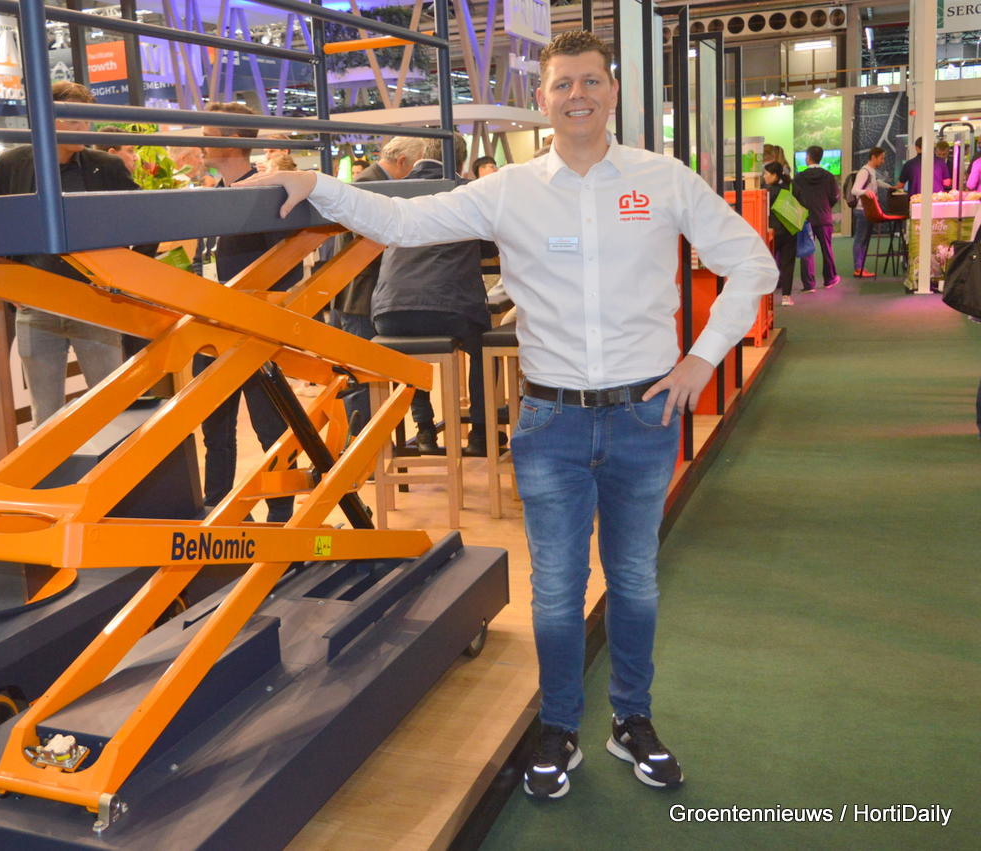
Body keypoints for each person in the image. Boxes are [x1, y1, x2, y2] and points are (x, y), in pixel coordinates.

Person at [239, 30, 776, 798]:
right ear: (543, 99)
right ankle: (558, 728)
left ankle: (632, 719)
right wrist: (317, 182)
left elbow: (751, 262)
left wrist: (703, 358)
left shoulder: (663, 180)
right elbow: (403, 224)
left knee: (634, 582)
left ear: (613, 91)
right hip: (551, 423)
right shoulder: (510, 189)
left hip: (643, 417)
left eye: (590, 81)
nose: (577, 95)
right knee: (556, 588)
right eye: (562, 84)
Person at [0, 81, 152, 425]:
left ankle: (116, 463)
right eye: (75, 119)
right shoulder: (13, 163)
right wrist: (9, 286)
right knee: (45, 415)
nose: (84, 127)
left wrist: (126, 276)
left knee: (112, 409)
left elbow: (147, 220)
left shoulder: (105, 166)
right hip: (36, 305)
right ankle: (53, 463)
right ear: (48, 119)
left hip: (94, 303)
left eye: (86, 119)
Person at [195, 102, 302, 523]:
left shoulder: (263, 194)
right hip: (208, 323)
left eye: (209, 135)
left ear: (234, 140)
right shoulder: (211, 198)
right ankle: (218, 507)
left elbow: (289, 266)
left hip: (254, 327)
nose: (202, 143)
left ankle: (282, 511)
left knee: (269, 424)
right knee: (214, 428)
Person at [370, 134, 494, 456]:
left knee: (410, 354)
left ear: (423, 153)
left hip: (387, 312)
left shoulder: (397, 190)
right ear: (462, 161)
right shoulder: (467, 191)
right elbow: (491, 245)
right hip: (447, 309)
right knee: (485, 348)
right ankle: (481, 434)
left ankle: (424, 431)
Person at [331, 136, 424, 432]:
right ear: (402, 162)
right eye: (416, 167)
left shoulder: (371, 182)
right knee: (362, 376)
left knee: (369, 376)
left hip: (366, 294)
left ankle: (373, 446)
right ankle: (362, 447)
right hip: (361, 296)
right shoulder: (371, 186)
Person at [792, 145, 841, 292]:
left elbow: (794, 197)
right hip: (824, 217)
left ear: (808, 157)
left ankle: (809, 284)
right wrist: (826, 207)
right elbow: (834, 197)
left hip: (806, 218)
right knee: (827, 249)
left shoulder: (799, 178)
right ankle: (830, 279)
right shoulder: (829, 176)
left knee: (807, 250)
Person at [849, 146, 895, 278]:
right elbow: (854, 190)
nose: (883, 161)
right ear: (873, 157)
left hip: (867, 210)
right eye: (881, 158)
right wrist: (865, 192)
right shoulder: (864, 171)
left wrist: (889, 187)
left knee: (863, 240)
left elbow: (875, 182)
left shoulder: (871, 171)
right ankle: (858, 268)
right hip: (862, 210)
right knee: (860, 239)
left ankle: (860, 267)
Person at [763, 162, 798, 305]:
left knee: (768, 263)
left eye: (766, 173)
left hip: (772, 232)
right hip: (789, 230)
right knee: (787, 264)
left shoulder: (767, 192)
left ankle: (766, 296)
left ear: (774, 175)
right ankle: (786, 297)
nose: (764, 176)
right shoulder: (789, 187)